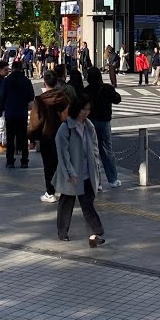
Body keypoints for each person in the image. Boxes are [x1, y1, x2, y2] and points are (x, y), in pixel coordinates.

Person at [54, 91, 107, 247]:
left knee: (87, 203)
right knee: (67, 201)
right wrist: (70, 172)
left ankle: (95, 232)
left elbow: (95, 148)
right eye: (84, 109)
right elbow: (62, 153)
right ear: (77, 108)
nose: (86, 113)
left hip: (86, 172)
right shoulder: (66, 128)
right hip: (71, 172)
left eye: (88, 109)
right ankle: (62, 232)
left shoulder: (89, 126)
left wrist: (97, 167)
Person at [31, 71, 71, 203]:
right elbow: (68, 117)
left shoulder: (40, 100)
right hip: (63, 134)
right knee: (62, 161)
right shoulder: (64, 98)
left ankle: (50, 191)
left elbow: (36, 121)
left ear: (44, 83)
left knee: (48, 165)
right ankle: (61, 188)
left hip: (47, 135)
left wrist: (32, 137)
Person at [85, 66, 122, 189]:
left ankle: (97, 181)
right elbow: (117, 99)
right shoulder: (106, 89)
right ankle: (113, 179)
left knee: (92, 152)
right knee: (107, 150)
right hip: (104, 122)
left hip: (90, 122)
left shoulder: (86, 90)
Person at [0, 58, 35, 168]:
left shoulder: (6, 81)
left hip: (10, 112)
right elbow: (31, 96)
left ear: (12, 69)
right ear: (21, 69)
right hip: (22, 112)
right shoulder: (26, 81)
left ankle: (10, 160)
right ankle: (24, 160)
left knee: (10, 137)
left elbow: (1, 96)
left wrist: (4, 106)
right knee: (23, 137)